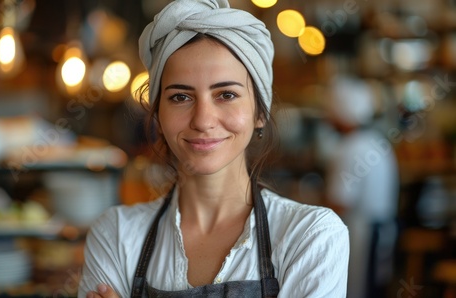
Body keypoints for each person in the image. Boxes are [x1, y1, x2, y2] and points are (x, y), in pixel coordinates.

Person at [78, 1, 349, 297]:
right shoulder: (116, 235)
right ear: (157, 115)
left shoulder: (309, 236)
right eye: (181, 97)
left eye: (226, 94)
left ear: (260, 112)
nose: (203, 120)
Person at [324, 75, 399, 298]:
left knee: (358, 291)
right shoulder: (376, 141)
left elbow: (339, 204)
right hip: (381, 230)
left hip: (362, 235)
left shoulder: (350, 148)